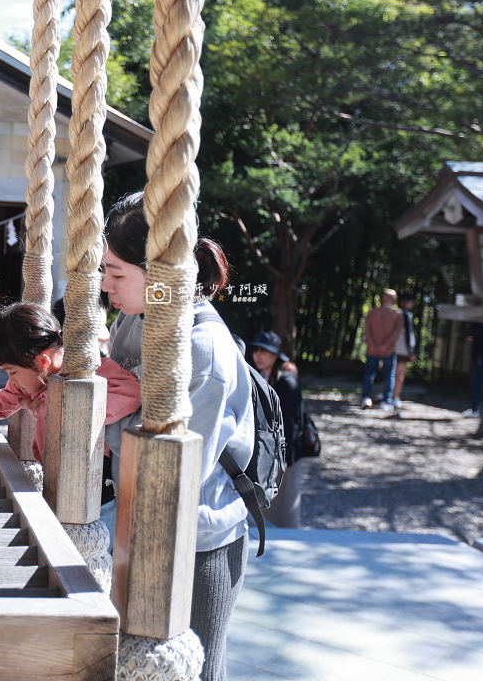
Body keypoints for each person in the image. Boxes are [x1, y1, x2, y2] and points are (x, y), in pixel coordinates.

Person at [99, 191, 255, 681]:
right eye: (104, 270)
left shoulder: (204, 349)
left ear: (160, 271)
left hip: (200, 540)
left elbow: (170, 468)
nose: (104, 286)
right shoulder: (142, 312)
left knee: (196, 671)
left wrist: (101, 402)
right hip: (139, 521)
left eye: (116, 273)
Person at [0, 303, 141, 464]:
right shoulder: (29, 382)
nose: (11, 380)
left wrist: (66, 408)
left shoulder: (93, 371)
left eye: (12, 372)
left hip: (97, 480)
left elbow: (132, 392)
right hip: (53, 470)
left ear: (42, 361)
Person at [249, 332, 304, 528]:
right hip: (268, 452)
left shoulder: (287, 382)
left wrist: (284, 457)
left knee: (286, 504)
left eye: (265, 351)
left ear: (276, 355)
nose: (258, 356)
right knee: (266, 503)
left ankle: (290, 543)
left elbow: (291, 423)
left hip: (284, 455)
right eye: (257, 350)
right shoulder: (264, 376)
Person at [361, 289, 403, 411]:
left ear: (382, 298)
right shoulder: (397, 314)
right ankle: (386, 400)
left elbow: (367, 331)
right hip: (388, 350)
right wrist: (386, 346)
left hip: (372, 349)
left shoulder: (372, 312)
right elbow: (396, 333)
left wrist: (373, 344)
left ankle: (366, 397)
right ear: (394, 299)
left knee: (369, 373)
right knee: (389, 374)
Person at [391, 295, 417, 410]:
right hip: (402, 349)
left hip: (391, 347)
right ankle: (395, 397)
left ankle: (385, 394)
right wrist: (411, 351)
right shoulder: (406, 315)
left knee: (390, 373)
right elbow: (408, 334)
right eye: (409, 301)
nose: (411, 304)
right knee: (399, 375)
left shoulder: (393, 313)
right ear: (403, 302)